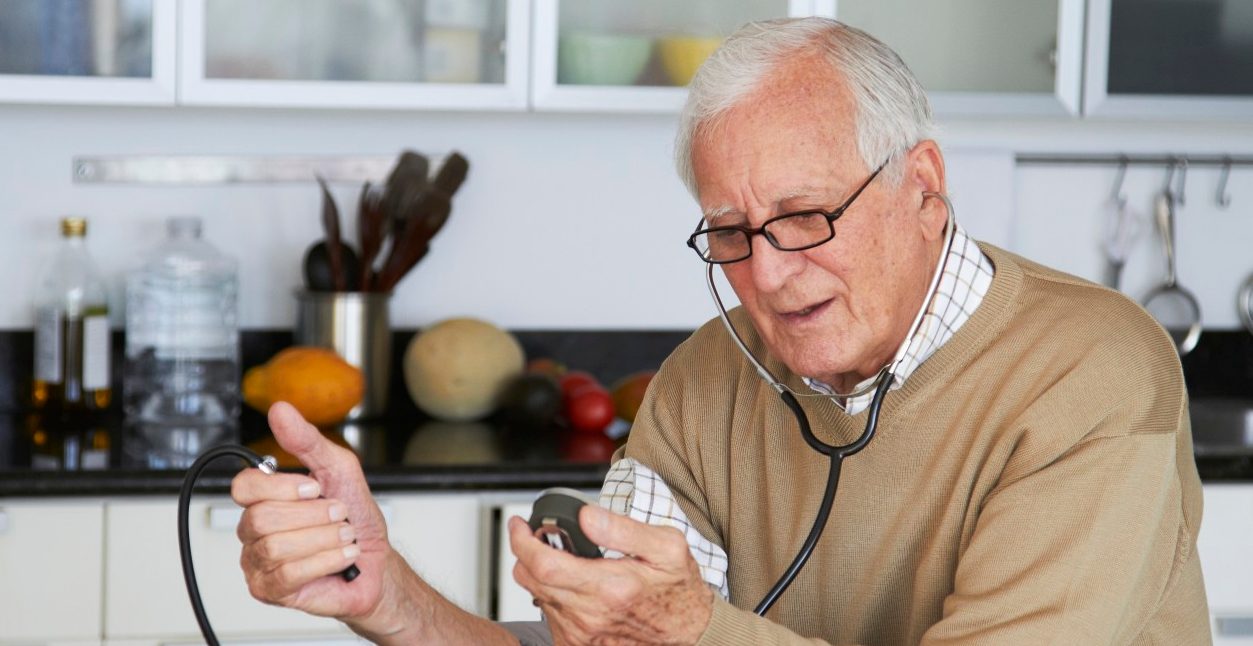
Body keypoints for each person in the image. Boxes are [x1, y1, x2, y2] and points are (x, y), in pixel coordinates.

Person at [230, 17, 1211, 645]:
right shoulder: (709, 375)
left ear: (920, 187)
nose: (768, 272)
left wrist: (694, 632)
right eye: (732, 231)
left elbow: (678, 635)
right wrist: (386, 596)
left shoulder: (1091, 372)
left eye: (802, 215)